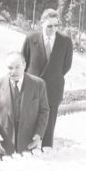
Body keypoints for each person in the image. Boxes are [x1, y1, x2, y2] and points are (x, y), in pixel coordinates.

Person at [22, 8, 73, 147]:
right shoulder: (31, 39)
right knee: (30, 125)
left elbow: (66, 66)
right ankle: (27, 151)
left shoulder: (65, 41)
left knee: (48, 128)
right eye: (49, 26)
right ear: (41, 24)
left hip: (53, 89)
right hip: (32, 89)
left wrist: (53, 77)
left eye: (56, 25)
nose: (53, 29)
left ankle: (46, 152)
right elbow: (24, 63)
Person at [0, 51, 49, 156]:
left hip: (28, 143)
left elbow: (44, 111)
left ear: (24, 65)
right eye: (10, 68)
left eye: (17, 67)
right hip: (3, 143)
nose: (13, 71)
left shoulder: (38, 84)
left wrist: (39, 134)